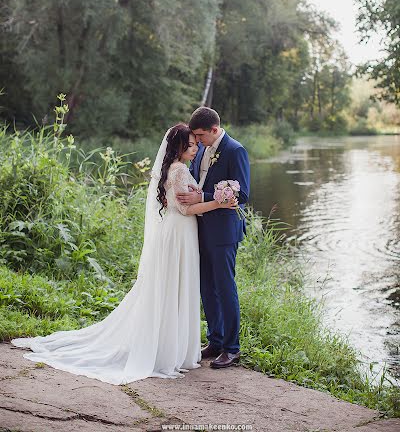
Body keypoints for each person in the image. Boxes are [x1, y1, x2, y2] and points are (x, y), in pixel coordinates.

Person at [10, 124, 238, 385]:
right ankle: (167, 349)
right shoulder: (178, 170)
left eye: (197, 143)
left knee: (172, 287)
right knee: (173, 287)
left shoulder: (177, 168)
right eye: (191, 144)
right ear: (179, 146)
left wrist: (206, 196)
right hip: (178, 233)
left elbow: (191, 199)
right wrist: (219, 202)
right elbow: (187, 210)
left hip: (179, 233)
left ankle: (171, 345)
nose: (196, 147)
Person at [177, 107, 250, 369]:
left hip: (223, 232)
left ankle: (232, 348)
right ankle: (216, 340)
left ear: (214, 130)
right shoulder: (201, 151)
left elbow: (242, 195)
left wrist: (204, 198)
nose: (195, 141)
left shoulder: (234, 150)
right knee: (206, 287)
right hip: (199, 228)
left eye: (199, 135)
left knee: (224, 287)